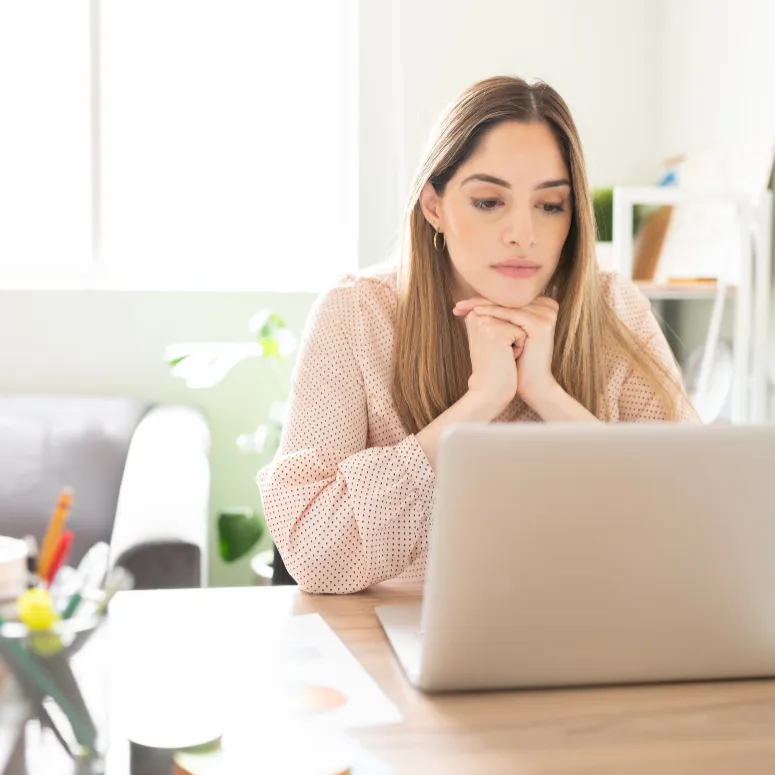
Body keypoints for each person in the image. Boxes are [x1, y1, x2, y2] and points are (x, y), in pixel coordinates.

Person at [258, 76, 698, 595]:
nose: (523, 234)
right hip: (400, 639)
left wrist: (547, 395)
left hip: (593, 633)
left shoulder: (612, 308)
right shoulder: (355, 315)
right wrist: (479, 403)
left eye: (550, 205)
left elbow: (692, 519)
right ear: (434, 206)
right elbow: (315, 554)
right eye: (490, 202)